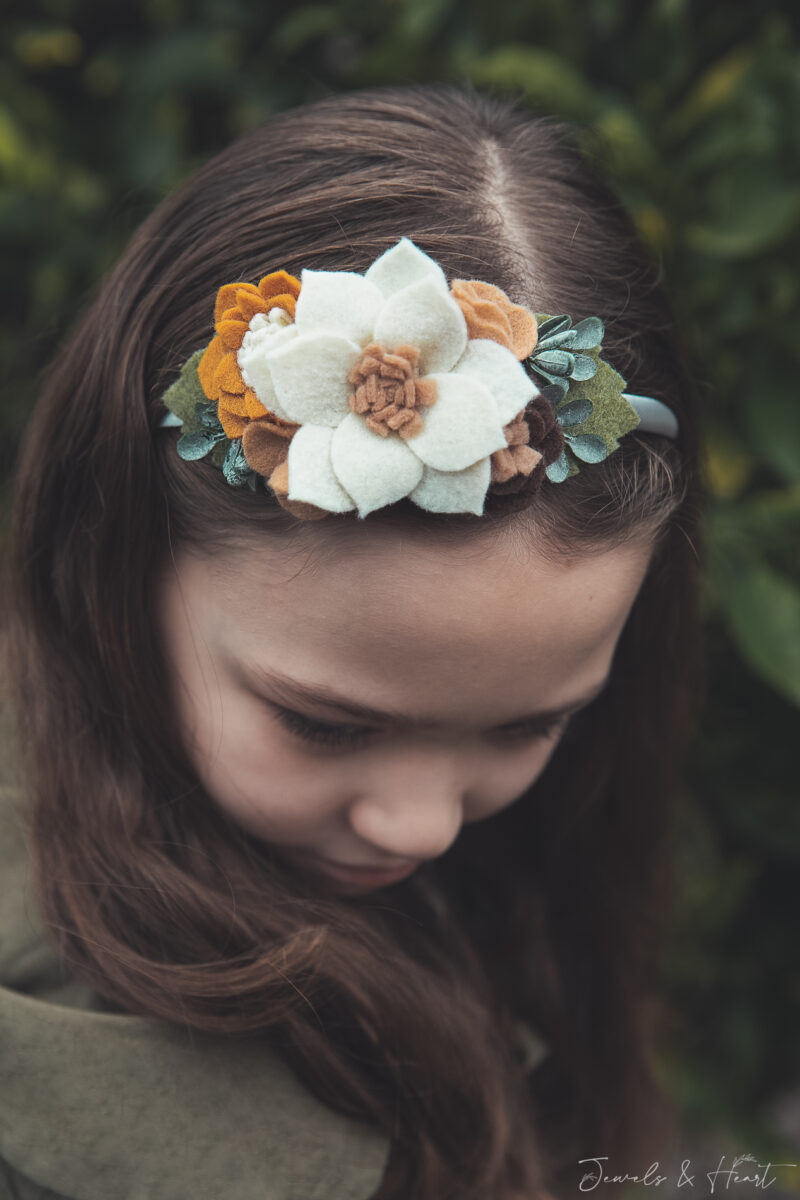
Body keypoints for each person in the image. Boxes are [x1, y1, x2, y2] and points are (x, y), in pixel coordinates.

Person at [0, 83, 704, 1200]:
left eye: (534, 724)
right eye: (324, 723)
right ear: (114, 568)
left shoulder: (535, 880)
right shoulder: (57, 1066)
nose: (418, 824)